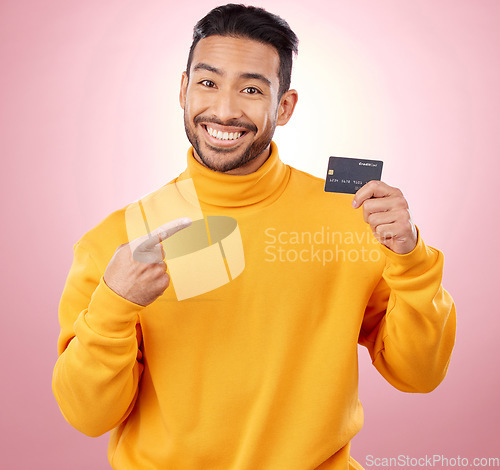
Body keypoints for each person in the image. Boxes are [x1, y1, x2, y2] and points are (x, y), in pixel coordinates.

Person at [52, 4, 456, 469]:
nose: (224, 110)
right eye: (207, 83)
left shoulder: (352, 218)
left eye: (250, 89)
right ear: (183, 90)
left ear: (284, 106)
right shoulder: (116, 243)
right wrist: (114, 304)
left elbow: (420, 374)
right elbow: (87, 415)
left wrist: (411, 260)